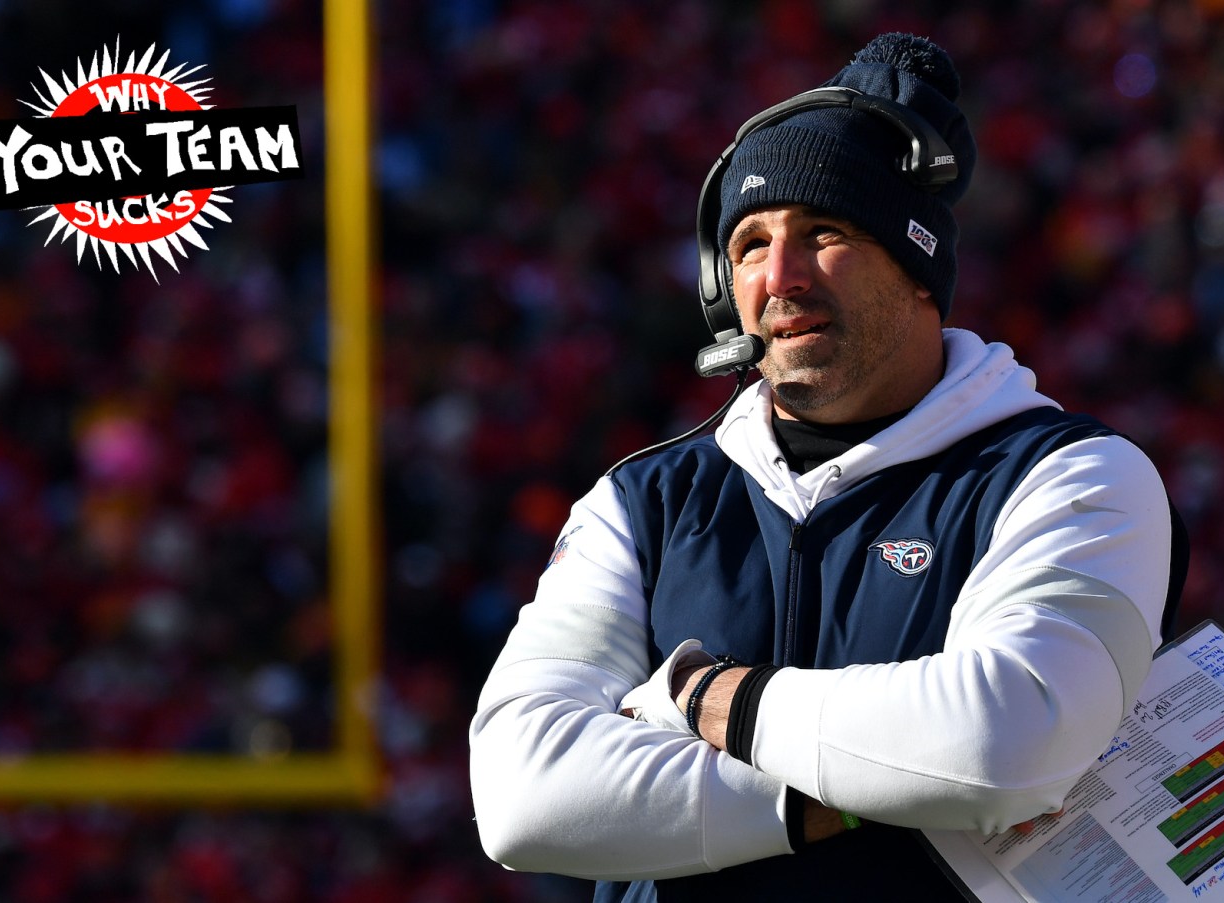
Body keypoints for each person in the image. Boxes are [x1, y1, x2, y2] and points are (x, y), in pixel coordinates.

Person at [468, 32, 1185, 902]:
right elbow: (523, 797)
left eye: (825, 232)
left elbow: (1002, 743)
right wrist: (851, 794)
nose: (781, 277)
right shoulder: (642, 501)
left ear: (919, 265)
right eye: (749, 246)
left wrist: (706, 698)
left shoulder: (1076, 476)